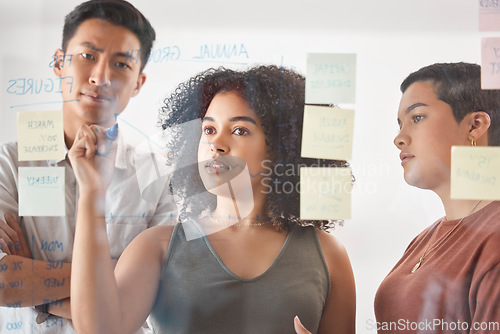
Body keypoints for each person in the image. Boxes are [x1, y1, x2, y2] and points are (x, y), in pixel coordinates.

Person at [68, 65, 356, 333]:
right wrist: (92, 192)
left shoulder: (329, 255)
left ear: (283, 150)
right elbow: (97, 328)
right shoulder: (155, 247)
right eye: (208, 129)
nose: (215, 144)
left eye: (240, 130)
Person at [0, 0, 176, 332]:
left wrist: (37, 285)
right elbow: (4, 281)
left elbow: (157, 294)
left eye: (121, 64)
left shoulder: (158, 177)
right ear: (58, 62)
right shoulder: (9, 163)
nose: (101, 77)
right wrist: (114, 274)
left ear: (138, 83)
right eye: (88, 56)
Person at [375, 63, 500, 333]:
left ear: (475, 125)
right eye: (399, 124)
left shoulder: (495, 239)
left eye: (417, 117)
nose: (399, 138)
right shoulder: (423, 239)